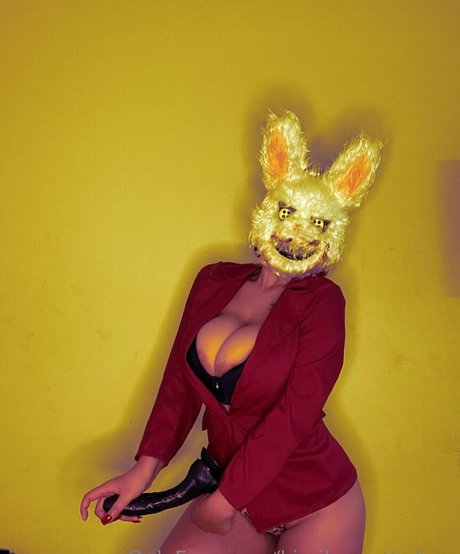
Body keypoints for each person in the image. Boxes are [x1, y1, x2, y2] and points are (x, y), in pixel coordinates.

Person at [80, 110, 382, 553]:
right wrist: (143, 471)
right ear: (269, 212)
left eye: (317, 223)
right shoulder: (213, 280)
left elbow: (293, 416)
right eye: (288, 213)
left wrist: (223, 503)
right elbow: (178, 385)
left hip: (315, 499)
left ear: (330, 237)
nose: (297, 233)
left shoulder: (322, 303)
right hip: (229, 491)